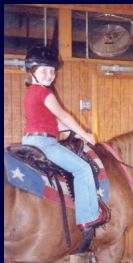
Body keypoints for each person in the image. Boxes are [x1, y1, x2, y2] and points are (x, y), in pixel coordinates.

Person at [22, 45, 105, 246]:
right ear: (33, 72)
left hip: (31, 139)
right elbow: (64, 116)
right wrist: (85, 134)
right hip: (45, 143)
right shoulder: (44, 93)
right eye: (44, 71)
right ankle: (88, 219)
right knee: (83, 169)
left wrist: (73, 132)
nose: (50, 75)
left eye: (52, 71)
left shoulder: (31, 93)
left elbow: (56, 124)